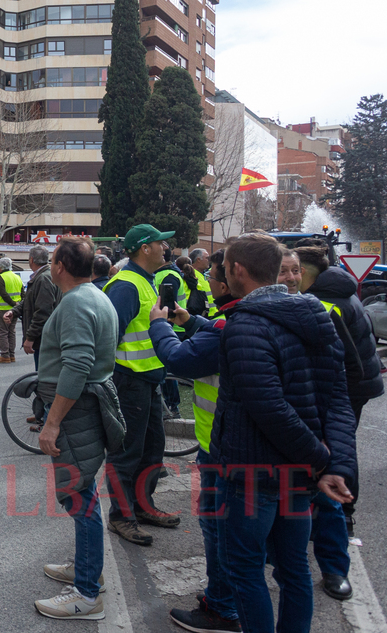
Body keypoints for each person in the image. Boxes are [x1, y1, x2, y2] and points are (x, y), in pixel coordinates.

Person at [212, 234, 357, 633]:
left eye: (225, 268)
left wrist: (326, 462)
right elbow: (339, 401)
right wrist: (329, 464)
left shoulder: (245, 326)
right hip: (299, 477)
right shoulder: (316, 314)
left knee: (245, 570)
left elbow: (270, 410)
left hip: (253, 478)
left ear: (238, 270)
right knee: (293, 570)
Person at [147, 248, 241, 632]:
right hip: (254, 447)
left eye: (215, 276)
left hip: (223, 446)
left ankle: (221, 608)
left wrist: (160, 325)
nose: (210, 281)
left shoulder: (229, 327)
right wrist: (196, 320)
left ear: (232, 278)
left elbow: (182, 360)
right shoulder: (301, 313)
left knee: (219, 528)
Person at [32, 237, 122, 621]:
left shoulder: (76, 302)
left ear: (60, 266)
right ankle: (88, 570)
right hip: (84, 404)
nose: (51, 264)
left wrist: (52, 423)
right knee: (82, 491)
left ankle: (86, 594)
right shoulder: (96, 295)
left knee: (79, 495)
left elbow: (78, 364)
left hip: (75, 410)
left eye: (53, 259)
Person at [295, 245, 384, 600]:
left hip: (336, 399)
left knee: (330, 472)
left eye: (292, 270)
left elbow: (347, 363)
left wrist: (335, 402)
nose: (287, 278)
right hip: (346, 392)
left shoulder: (324, 303)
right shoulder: (336, 290)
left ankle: (336, 555)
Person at [102, 224, 178, 545]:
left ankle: (142, 507)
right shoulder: (125, 286)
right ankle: (122, 517)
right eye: (160, 243)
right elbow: (108, 338)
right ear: (145, 248)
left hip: (148, 380)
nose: (166, 248)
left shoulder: (145, 281)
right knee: (126, 453)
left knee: (152, 450)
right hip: (129, 381)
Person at [4, 246, 60, 368]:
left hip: (44, 341)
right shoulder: (41, 276)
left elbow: (43, 312)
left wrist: (30, 337)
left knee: (43, 378)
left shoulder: (43, 278)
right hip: (44, 339)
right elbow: (29, 301)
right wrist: (14, 312)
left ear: (31, 260)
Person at [0, 258, 22, 363]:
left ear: (0, 267)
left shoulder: (1, 277)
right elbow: (23, 293)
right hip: (15, 310)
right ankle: (11, 355)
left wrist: (12, 304)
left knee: (2, 332)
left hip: (4, 309)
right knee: (11, 332)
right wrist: (18, 306)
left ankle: (5, 355)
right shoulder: (17, 277)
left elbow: (4, 294)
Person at [187, 247, 215, 316]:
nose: (209, 260)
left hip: (210, 315)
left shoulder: (201, 275)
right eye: (207, 258)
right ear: (198, 260)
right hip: (202, 316)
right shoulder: (192, 275)